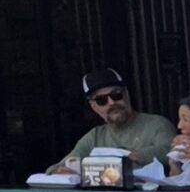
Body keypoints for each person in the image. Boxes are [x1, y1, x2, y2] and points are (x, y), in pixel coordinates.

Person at [39, 67, 175, 181]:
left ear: (127, 94)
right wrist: (61, 172)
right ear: (93, 107)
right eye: (101, 100)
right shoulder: (95, 137)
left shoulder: (157, 124)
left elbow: (170, 151)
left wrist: (127, 158)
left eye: (116, 95)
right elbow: (58, 167)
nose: (112, 103)